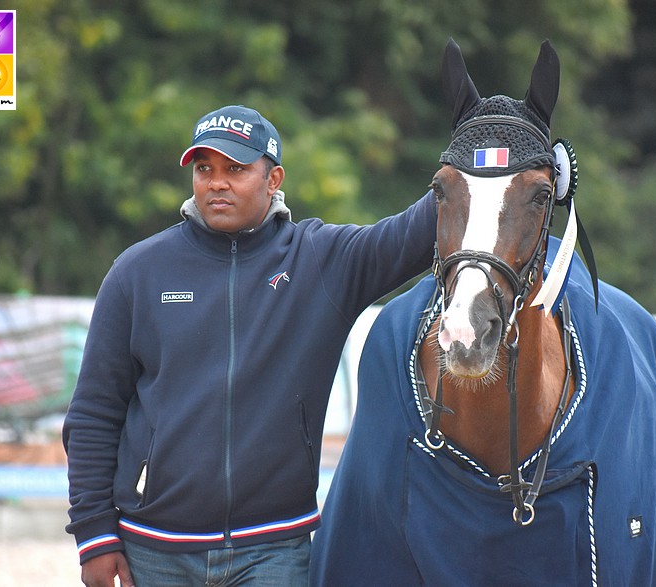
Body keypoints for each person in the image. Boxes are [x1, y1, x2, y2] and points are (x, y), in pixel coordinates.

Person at [62, 104, 437, 586]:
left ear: (273, 177)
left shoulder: (321, 260)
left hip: (275, 550)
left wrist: (482, 152)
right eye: (204, 169)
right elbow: (94, 411)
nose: (216, 183)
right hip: (152, 549)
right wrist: (94, 535)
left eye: (235, 169)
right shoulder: (137, 272)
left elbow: (418, 231)